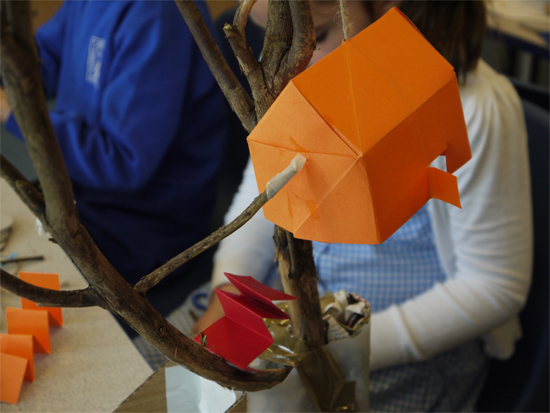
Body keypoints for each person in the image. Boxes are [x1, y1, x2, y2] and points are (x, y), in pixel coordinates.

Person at [192, 1, 533, 411]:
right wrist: (229, 293)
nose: (288, 68)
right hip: (295, 314)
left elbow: (493, 286)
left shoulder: (475, 109)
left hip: (398, 346)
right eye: (272, 42)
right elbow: (262, 196)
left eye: (314, 39)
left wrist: (333, 349)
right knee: (179, 382)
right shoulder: (305, 80)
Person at [0, 1, 228, 303]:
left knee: (18, 297)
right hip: (79, 191)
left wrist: (12, 111)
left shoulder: (159, 15)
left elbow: (121, 163)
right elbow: (44, 57)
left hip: (140, 225)